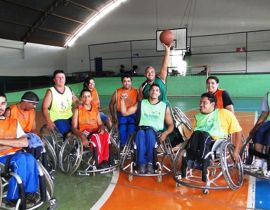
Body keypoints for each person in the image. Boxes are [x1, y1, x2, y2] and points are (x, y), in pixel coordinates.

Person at [120, 83, 174, 174]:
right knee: (140, 133)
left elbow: (171, 125)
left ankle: (150, 163)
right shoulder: (141, 104)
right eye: (152, 90)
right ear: (149, 92)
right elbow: (124, 113)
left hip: (155, 132)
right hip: (141, 130)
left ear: (159, 94)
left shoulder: (164, 106)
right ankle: (141, 164)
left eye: (157, 90)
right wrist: (122, 100)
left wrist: (165, 133)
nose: (154, 92)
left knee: (149, 133)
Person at [0, 92, 39, 206]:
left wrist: (2, 142)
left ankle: (29, 193)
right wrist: (15, 143)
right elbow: (20, 143)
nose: (0, 107)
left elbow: (25, 142)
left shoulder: (13, 122)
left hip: (14, 153)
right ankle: (12, 198)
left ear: (6, 104)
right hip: (2, 157)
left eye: (2, 103)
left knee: (30, 158)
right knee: (21, 159)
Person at [193, 92, 242, 162]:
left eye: (204, 103)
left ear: (212, 104)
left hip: (215, 143)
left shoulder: (224, 113)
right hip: (198, 144)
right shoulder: (197, 117)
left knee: (204, 136)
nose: (201, 105)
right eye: (200, 102)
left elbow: (238, 131)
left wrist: (236, 151)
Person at [72, 89, 110, 168]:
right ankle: (98, 161)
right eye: (84, 96)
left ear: (91, 98)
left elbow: (100, 123)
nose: (86, 98)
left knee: (106, 134)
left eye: (88, 96)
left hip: (95, 130)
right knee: (96, 137)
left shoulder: (95, 109)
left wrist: (102, 128)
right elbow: (74, 128)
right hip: (85, 131)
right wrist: (82, 136)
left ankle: (105, 159)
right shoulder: (77, 110)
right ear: (81, 98)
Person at [5, 91, 44, 159]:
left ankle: (41, 164)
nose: (35, 107)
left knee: (39, 144)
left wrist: (39, 137)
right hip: (15, 136)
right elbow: (5, 130)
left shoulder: (32, 111)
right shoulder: (10, 111)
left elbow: (33, 128)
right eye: (33, 104)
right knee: (32, 145)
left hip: (27, 135)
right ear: (25, 102)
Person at [42, 70, 79, 137]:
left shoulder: (69, 89)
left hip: (70, 117)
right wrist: (48, 121)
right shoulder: (50, 91)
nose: (61, 79)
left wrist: (81, 104)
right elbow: (44, 108)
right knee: (69, 135)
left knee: (80, 130)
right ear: (54, 80)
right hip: (57, 119)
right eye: (58, 77)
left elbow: (76, 100)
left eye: (63, 77)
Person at [109, 75, 138, 148]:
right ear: (122, 82)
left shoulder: (136, 91)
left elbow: (140, 105)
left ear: (131, 82)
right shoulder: (117, 92)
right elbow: (111, 104)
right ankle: (123, 146)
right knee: (122, 129)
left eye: (128, 81)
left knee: (132, 129)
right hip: (121, 115)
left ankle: (131, 146)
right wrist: (113, 116)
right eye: (125, 81)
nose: (127, 83)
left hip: (132, 115)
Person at [248, 91, 270, 176]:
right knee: (258, 132)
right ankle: (258, 161)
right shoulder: (268, 96)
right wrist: (255, 128)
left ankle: (268, 163)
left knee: (269, 136)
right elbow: (265, 113)